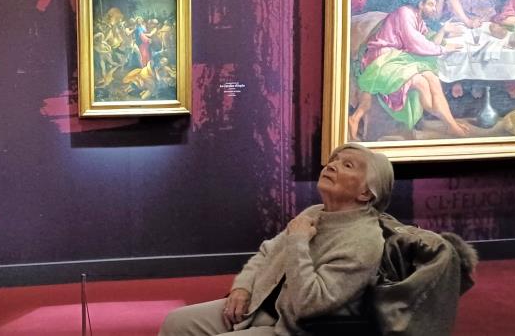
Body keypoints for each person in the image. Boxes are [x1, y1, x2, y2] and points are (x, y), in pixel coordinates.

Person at [159, 143, 394, 336]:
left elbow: (309, 304)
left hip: (293, 328)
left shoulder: (364, 241)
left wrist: (298, 241)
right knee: (176, 322)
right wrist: (242, 287)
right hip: (260, 306)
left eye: (347, 165)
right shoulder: (315, 212)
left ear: (365, 193)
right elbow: (267, 252)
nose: (332, 166)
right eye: (335, 160)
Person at [352, 0, 468, 138]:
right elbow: (416, 44)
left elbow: (428, 42)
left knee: (432, 77)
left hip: (399, 58)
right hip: (381, 59)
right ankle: (450, 124)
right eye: (431, 4)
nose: (434, 9)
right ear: (420, 4)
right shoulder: (405, 13)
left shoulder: (418, 19)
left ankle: (450, 124)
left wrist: (443, 31)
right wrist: (443, 49)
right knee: (421, 83)